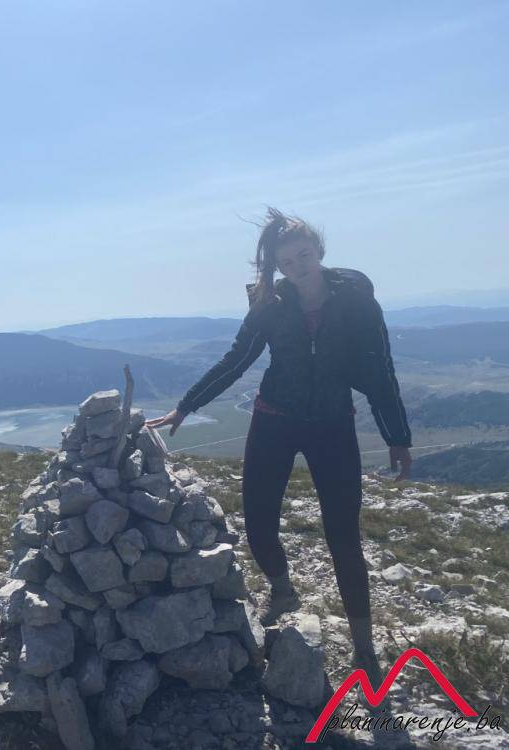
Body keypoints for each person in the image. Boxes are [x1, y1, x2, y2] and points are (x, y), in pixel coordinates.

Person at [146, 207, 412, 694]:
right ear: (276, 266)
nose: (298, 267)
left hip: (332, 423)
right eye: (286, 262)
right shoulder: (269, 303)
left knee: (343, 536)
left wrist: (397, 437)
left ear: (319, 251)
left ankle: (364, 647)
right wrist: (187, 406)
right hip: (274, 419)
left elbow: (381, 370)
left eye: (304, 256)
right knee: (258, 521)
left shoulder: (356, 300)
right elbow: (237, 359)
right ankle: (283, 590)